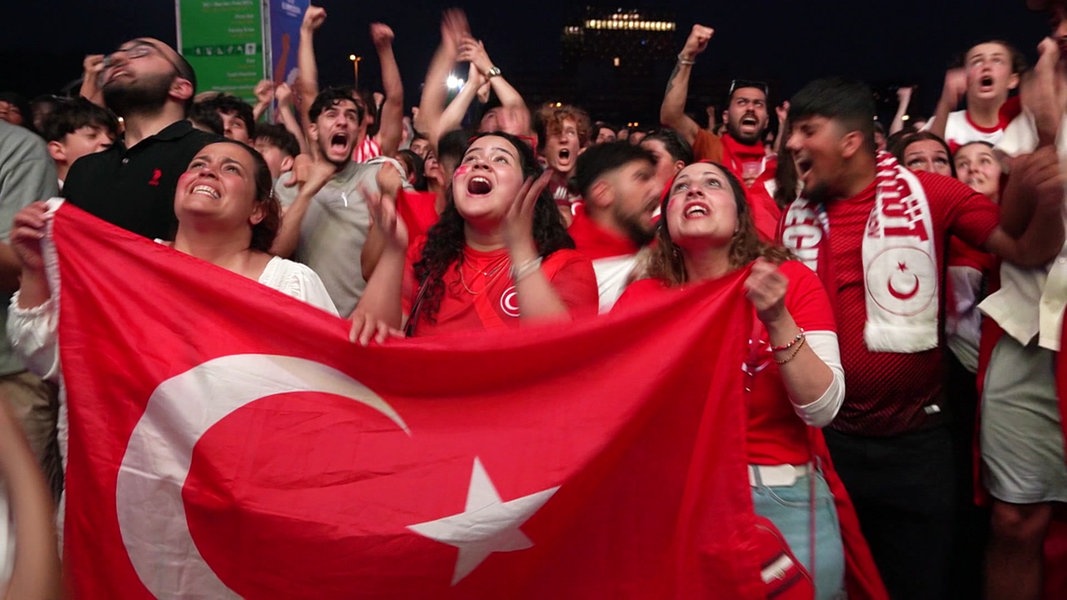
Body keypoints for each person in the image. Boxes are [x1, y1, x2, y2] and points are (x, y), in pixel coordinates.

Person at [780, 77, 1063, 600]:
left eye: (807, 130)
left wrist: (1046, 196)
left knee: (919, 585)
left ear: (850, 142)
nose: (793, 143)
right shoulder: (793, 215)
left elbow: (1023, 250)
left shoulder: (931, 194)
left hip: (917, 447)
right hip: (824, 446)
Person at [8, 141, 338, 494]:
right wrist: (34, 271)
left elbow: (334, 397)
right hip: (138, 508)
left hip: (247, 503)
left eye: (231, 169)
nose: (207, 171)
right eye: (198, 163)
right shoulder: (124, 275)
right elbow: (46, 353)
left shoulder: (288, 285)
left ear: (257, 210)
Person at [614, 161, 847, 599]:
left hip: (778, 503)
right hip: (676, 505)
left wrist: (777, 319)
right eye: (680, 187)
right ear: (665, 222)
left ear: (741, 216)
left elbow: (824, 408)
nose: (693, 191)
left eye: (711, 184)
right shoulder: (641, 299)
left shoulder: (790, 282)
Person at [350, 132, 598, 343]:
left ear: (529, 186)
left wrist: (521, 253)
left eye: (501, 159)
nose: (480, 164)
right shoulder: (426, 254)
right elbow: (369, 341)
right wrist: (393, 251)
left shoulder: (566, 265)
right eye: (471, 158)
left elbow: (560, 357)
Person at [979, 10, 1067, 597]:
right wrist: (1043, 135)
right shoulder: (1040, 83)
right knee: (1015, 518)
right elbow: (1020, 236)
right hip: (1029, 325)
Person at [61, 37, 220, 240]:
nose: (117, 58)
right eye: (114, 57)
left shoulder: (213, 155)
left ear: (180, 87)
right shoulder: (84, 170)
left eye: (141, 52)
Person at [271, 87, 402, 316]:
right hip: (312, 325)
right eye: (331, 115)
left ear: (359, 133)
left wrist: (389, 195)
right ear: (313, 130)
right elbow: (277, 252)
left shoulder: (380, 177)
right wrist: (308, 191)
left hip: (365, 325)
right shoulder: (291, 181)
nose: (342, 122)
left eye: (351, 117)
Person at [660, 24, 775, 188]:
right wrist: (687, 56)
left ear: (767, 121)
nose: (750, 108)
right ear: (725, 116)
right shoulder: (711, 147)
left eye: (758, 104)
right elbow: (671, 116)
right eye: (742, 102)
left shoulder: (779, 165)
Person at [570, 141, 661, 312]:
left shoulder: (666, 256)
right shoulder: (562, 273)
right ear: (603, 193)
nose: (657, 189)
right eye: (642, 177)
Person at [927, 40, 1026, 151]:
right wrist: (945, 104)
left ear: (1012, 80)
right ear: (964, 77)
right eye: (977, 62)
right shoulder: (943, 123)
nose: (986, 66)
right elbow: (924, 156)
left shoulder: (1025, 129)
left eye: (997, 61)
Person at [39, 97, 118, 189]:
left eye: (112, 137)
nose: (107, 142)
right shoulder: (39, 196)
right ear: (58, 150)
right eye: (92, 135)